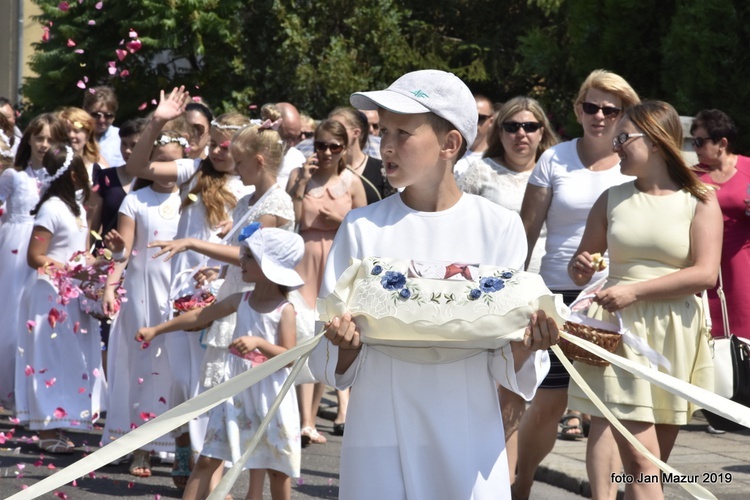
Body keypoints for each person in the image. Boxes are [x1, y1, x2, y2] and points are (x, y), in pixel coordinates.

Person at [309, 69, 559, 499]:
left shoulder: (498, 227)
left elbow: (508, 351)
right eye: (382, 130)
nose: (386, 145)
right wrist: (343, 344)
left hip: (466, 427)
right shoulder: (362, 226)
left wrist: (530, 340)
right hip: (379, 425)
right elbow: (329, 353)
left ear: (450, 144)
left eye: (403, 132)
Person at [567, 100, 720, 500]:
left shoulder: (700, 199)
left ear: (654, 141)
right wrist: (581, 267)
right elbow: (580, 266)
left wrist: (636, 290)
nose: (615, 145)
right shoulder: (612, 199)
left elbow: (706, 274)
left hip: (675, 333)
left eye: (623, 137)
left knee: (651, 468)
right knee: (641, 462)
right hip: (621, 334)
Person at [514, 69, 639, 500]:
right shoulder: (555, 159)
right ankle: (522, 482)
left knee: (610, 409)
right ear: (576, 109)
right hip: (559, 296)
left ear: (625, 115)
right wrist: (513, 289)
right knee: (549, 404)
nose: (600, 116)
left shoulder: (635, 162)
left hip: (616, 298)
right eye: (591, 106)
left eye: (611, 109)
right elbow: (525, 232)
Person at [125, 86, 254, 489]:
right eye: (214, 143)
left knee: (209, 380)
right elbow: (137, 165)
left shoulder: (249, 189)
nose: (218, 151)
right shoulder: (192, 171)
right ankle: (186, 448)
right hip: (180, 290)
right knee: (180, 378)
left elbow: (250, 246)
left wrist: (218, 268)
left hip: (223, 291)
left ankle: (207, 465)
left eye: (227, 145)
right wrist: (159, 121)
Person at [135, 227, 303, 500]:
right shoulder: (242, 300)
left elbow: (290, 356)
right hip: (235, 393)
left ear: (268, 265)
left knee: (276, 469)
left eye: (249, 256)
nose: (241, 262)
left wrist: (258, 343)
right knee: (208, 458)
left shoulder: (285, 310)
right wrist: (157, 329)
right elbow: (201, 315)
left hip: (269, 396)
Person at [456, 95, 559, 483]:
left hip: (540, 293)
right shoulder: (478, 172)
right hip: (488, 295)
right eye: (511, 126)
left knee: (519, 397)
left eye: (530, 126)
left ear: (542, 131)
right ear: (497, 131)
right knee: (489, 395)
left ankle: (511, 486)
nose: (521, 134)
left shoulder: (552, 170)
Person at [99, 131, 187, 477]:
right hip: (142, 292)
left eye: (173, 160)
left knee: (178, 370)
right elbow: (124, 251)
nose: (166, 167)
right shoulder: (136, 200)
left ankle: (182, 446)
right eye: (160, 159)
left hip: (179, 290)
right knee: (142, 367)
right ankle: (142, 446)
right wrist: (111, 282)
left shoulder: (193, 199)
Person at [15, 146, 106, 453]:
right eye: (82, 170)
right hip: (49, 295)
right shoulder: (51, 208)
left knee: (71, 358)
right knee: (49, 358)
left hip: (72, 295)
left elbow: (76, 250)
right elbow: (36, 256)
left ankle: (61, 420)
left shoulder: (77, 208)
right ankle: (45, 428)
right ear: (72, 174)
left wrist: (95, 264)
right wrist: (74, 270)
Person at [287, 119, 366, 444]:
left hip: (336, 258)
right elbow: (290, 218)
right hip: (304, 256)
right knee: (301, 334)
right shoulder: (299, 176)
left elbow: (365, 227)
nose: (328, 152)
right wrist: (302, 184)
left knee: (323, 334)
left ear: (345, 148)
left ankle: (311, 417)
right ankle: (301, 418)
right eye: (321, 145)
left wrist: (341, 221)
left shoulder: (352, 181)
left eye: (335, 146)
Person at [0, 114, 68, 411]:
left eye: (51, 140)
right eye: (39, 138)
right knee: (11, 316)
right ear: (27, 139)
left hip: (46, 245)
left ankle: (36, 388)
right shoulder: (14, 175)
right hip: (15, 247)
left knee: (41, 318)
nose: (44, 145)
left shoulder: (60, 179)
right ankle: (9, 386)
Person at [690, 109, 750, 341]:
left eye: (699, 141)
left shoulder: (748, 168)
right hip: (702, 267)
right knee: (707, 337)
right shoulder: (691, 176)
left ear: (722, 143)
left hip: (741, 268)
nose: (695, 148)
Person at [329, 106, 394, 204]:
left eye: (338, 129)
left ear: (356, 132)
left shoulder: (382, 170)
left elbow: (392, 209)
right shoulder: (326, 168)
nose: (331, 134)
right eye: (329, 129)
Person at [58, 107, 108, 182]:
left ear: (87, 136)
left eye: (76, 130)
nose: (71, 135)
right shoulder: (50, 167)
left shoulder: (99, 171)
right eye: (67, 130)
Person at [453, 94, 494, 177]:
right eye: (470, 117)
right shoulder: (450, 152)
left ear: (491, 122)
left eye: (480, 118)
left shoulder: (496, 157)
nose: (474, 123)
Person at [83, 85, 123, 167]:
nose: (102, 120)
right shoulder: (74, 136)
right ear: (85, 111)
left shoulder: (122, 138)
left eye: (108, 116)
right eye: (96, 115)